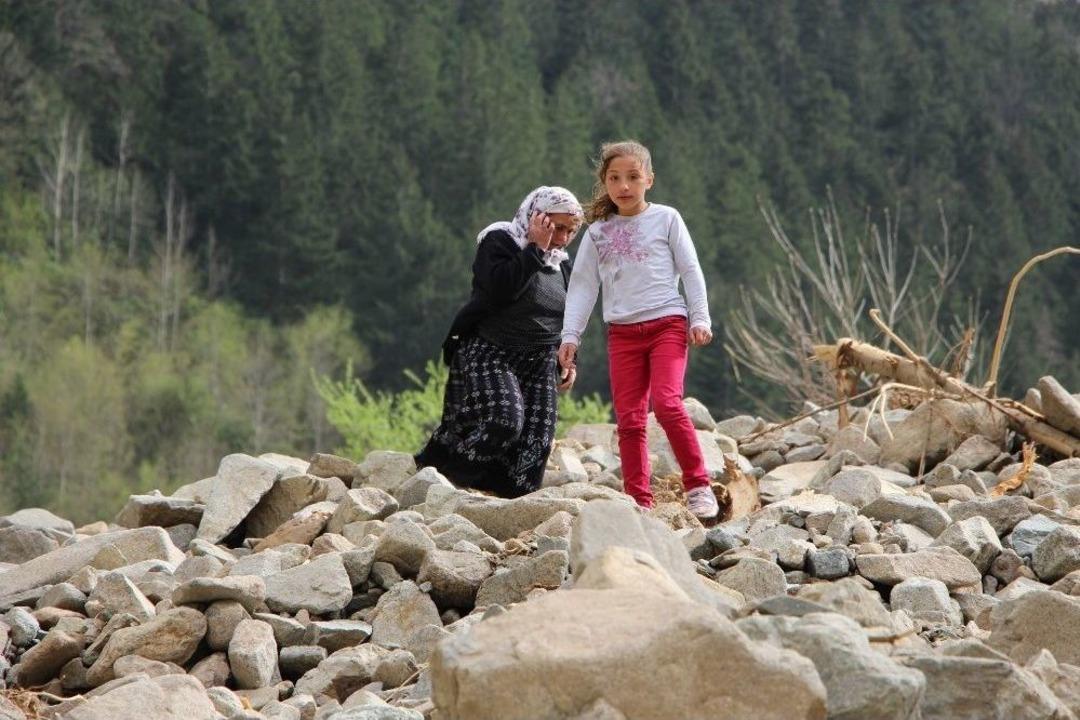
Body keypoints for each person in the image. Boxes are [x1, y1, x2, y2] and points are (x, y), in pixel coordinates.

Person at [557, 141, 719, 519]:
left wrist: (700, 318)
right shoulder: (598, 232)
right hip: (623, 334)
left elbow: (690, 269)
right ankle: (639, 501)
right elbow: (582, 287)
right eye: (614, 178)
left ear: (650, 179)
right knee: (629, 419)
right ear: (605, 182)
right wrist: (570, 336)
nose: (624, 186)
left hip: (668, 324)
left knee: (667, 403)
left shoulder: (666, 218)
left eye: (633, 177)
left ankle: (698, 485)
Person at [416, 186, 583, 498]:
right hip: (490, 351)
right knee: (504, 422)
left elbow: (568, 316)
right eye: (556, 228)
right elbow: (499, 291)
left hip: (539, 360)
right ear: (536, 217)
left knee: (537, 442)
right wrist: (534, 249)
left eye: (571, 231)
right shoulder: (500, 242)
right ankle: (441, 481)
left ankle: (505, 507)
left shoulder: (562, 264)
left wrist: (569, 360)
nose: (562, 238)